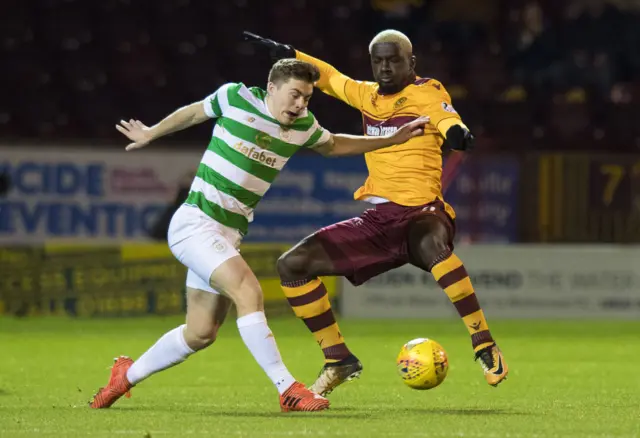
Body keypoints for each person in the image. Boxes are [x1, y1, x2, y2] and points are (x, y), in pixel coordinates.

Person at [89, 58, 429, 412]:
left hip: (228, 234)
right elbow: (193, 113)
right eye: (295, 95)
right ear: (272, 89)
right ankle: (289, 390)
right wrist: (151, 132)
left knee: (201, 332)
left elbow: (334, 145)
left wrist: (392, 139)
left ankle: (123, 377)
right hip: (195, 223)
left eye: (307, 98)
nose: (300, 105)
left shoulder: (303, 126)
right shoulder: (236, 98)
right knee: (248, 291)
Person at [244, 30, 509, 396]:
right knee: (291, 265)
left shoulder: (428, 91)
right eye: (378, 60)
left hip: (422, 213)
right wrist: (291, 53)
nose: (385, 67)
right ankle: (338, 358)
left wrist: (457, 133)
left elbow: (446, 118)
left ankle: (483, 343)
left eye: (393, 59)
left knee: (434, 246)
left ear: (410, 62)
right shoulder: (367, 95)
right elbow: (331, 78)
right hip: (378, 221)